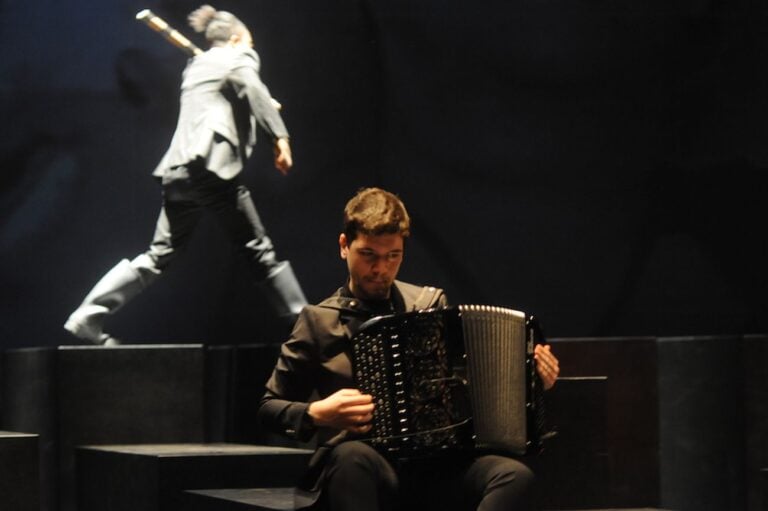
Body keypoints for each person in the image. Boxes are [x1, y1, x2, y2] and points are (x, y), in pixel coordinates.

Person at [257, 187, 560, 511]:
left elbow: (472, 387)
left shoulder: (429, 305)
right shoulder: (319, 321)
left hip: (436, 464)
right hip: (366, 466)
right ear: (345, 246)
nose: (381, 269)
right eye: (368, 254)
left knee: (514, 476)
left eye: (393, 256)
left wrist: (531, 379)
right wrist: (317, 413)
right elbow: (269, 408)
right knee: (351, 457)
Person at [64, 5, 306, 345]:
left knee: (159, 254)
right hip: (209, 168)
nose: (252, 50)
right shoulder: (240, 56)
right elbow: (251, 88)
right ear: (237, 39)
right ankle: (307, 330)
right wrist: (279, 138)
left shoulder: (198, 67)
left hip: (178, 169)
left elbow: (241, 95)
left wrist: (260, 98)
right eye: (248, 43)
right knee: (258, 250)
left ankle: (87, 316)